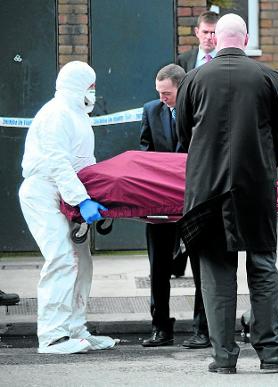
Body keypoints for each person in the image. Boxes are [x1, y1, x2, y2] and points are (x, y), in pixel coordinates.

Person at [176, 13, 278, 374]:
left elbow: (184, 136)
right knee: (262, 267)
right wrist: (263, 166)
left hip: (206, 191)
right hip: (255, 187)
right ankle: (271, 354)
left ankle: (224, 357)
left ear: (217, 39)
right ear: (244, 39)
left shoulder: (193, 80)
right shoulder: (268, 78)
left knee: (215, 274)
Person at [18, 61, 116, 354]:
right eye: (91, 87)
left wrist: (96, 197)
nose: (93, 93)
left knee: (81, 262)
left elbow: (85, 162)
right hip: (44, 191)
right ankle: (52, 336)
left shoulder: (77, 116)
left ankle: (76, 329)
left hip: (67, 194)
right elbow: (58, 163)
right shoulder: (56, 115)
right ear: (79, 86)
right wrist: (82, 200)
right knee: (62, 258)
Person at [138, 64, 210, 349]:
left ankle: (202, 329)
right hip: (159, 202)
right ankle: (160, 327)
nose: (162, 98)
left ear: (181, 89)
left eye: (166, 93)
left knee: (201, 267)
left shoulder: (198, 110)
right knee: (158, 267)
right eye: (158, 93)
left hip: (193, 201)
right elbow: (145, 150)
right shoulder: (151, 110)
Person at [173, 10, 219, 278]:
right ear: (197, 32)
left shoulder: (226, 60)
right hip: (189, 141)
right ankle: (179, 259)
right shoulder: (184, 61)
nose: (210, 37)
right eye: (206, 32)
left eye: (214, 33)